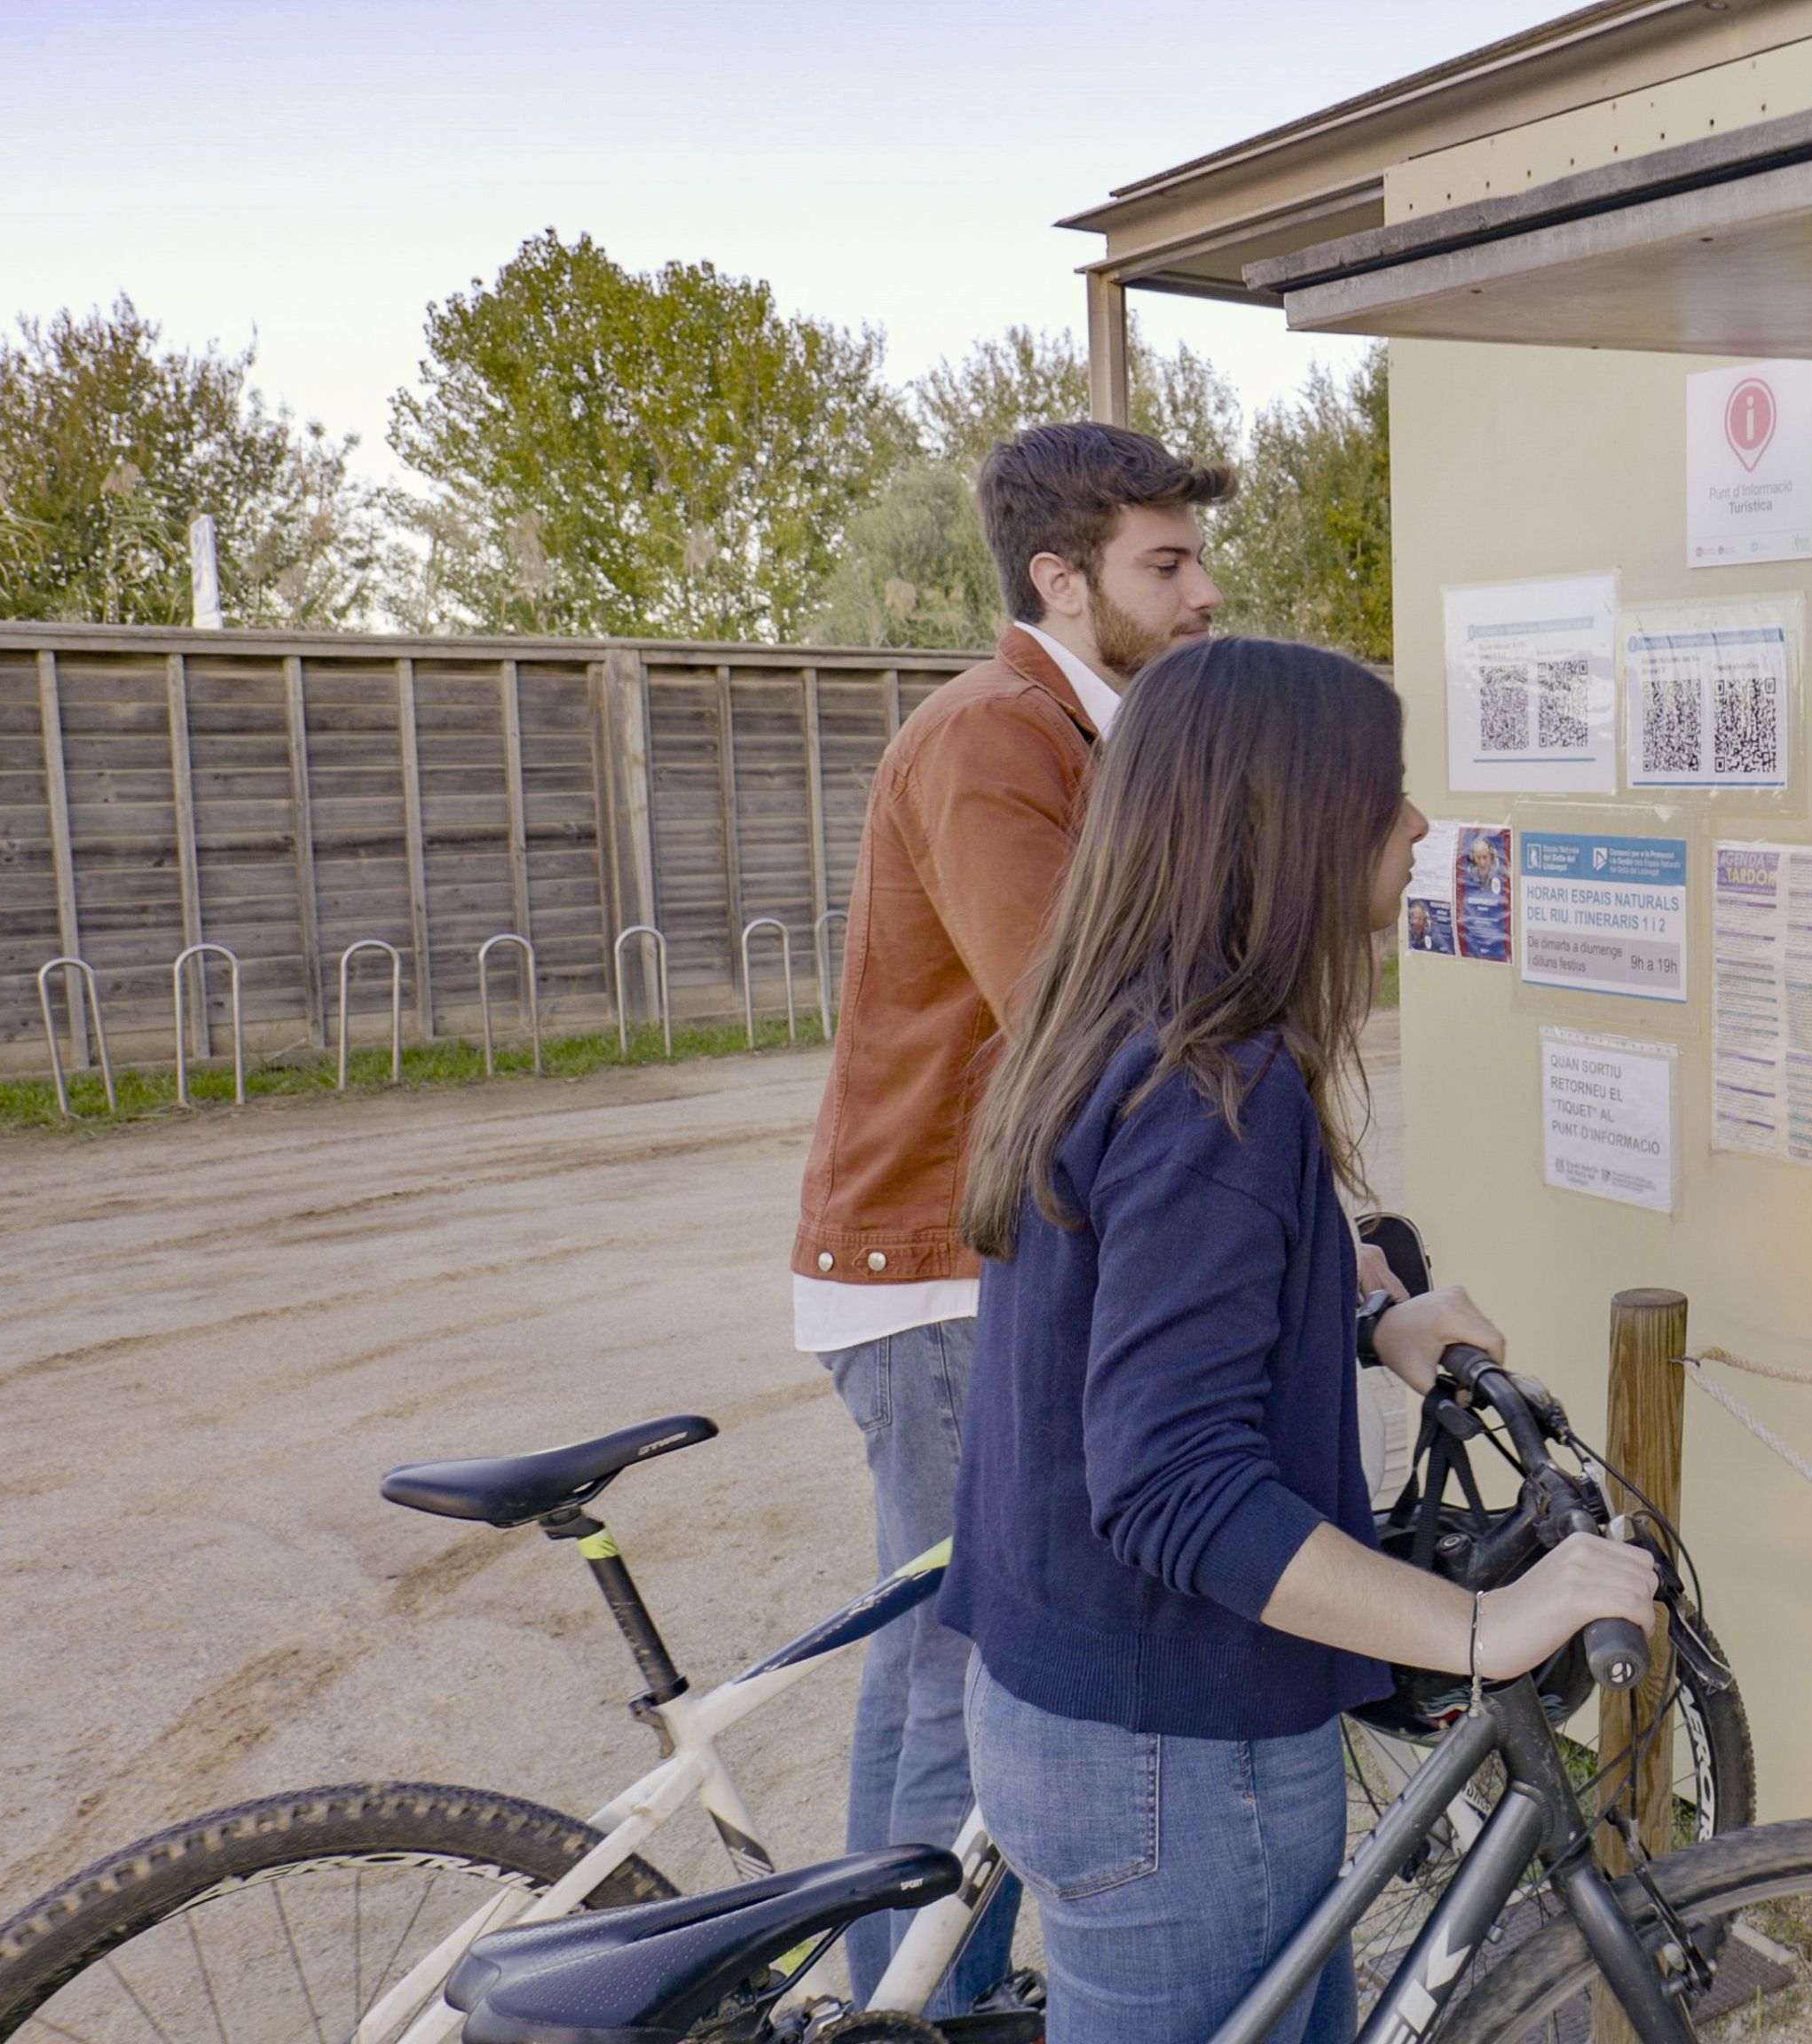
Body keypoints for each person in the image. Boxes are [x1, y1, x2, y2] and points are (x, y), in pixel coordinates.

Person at [943, 636, 1658, 2044]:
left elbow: (1140, 1306)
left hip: (1066, 1701)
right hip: (1177, 1761)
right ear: (1287, 821)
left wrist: (1367, 1315)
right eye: (1385, 793)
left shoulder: (1107, 1030)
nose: (1419, 824)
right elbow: (1173, 1485)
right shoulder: (1222, 1089)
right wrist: (1485, 1626)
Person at [788, 421, 1226, 2010]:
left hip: (983, 1261)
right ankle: (921, 2008)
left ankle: (908, 1995)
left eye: (1198, 558)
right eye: (1166, 563)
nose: (1203, 592)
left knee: (949, 1657)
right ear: (1062, 578)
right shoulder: (995, 735)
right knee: (963, 1667)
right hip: (941, 1272)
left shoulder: (1087, 737)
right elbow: (1077, 1014)